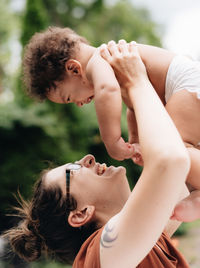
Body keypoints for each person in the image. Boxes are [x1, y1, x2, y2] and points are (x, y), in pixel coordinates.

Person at [3, 40, 191, 267]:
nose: (87, 158)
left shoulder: (138, 242)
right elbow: (172, 160)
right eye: (74, 170)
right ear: (80, 214)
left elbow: (181, 170)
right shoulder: (101, 252)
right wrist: (136, 80)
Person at [23, 26, 200, 222]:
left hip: (187, 86)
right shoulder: (113, 67)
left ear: (74, 69)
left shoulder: (99, 60)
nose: (79, 104)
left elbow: (107, 91)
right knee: (182, 153)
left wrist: (112, 142)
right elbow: (134, 107)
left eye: (69, 97)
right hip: (185, 88)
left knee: (175, 148)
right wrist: (134, 139)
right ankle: (196, 192)